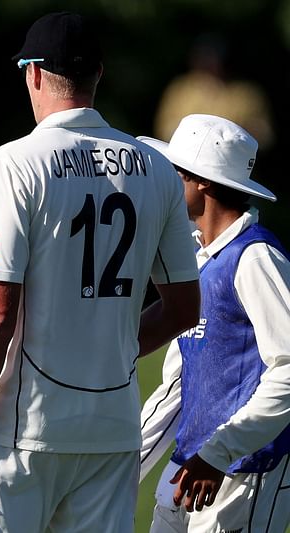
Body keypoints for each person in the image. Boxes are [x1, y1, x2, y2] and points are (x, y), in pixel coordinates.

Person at [0, 12, 201, 533]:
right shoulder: (155, 167)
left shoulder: (14, 162)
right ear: (98, 75)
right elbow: (183, 307)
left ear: (34, 73)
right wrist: (118, 349)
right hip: (113, 426)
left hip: (27, 428)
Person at [137, 115, 290, 532]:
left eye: (173, 173)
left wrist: (220, 453)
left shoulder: (256, 257)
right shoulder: (199, 259)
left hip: (244, 473)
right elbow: (177, 388)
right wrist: (117, 466)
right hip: (191, 468)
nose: (163, 183)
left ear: (200, 181)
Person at [153, 34, 274, 150]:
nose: (210, 65)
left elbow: (264, 136)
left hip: (232, 166)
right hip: (184, 163)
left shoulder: (246, 93)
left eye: (214, 59)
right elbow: (164, 130)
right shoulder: (180, 90)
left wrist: (240, 135)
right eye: (204, 59)